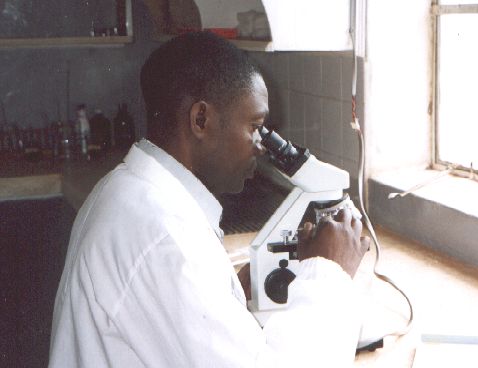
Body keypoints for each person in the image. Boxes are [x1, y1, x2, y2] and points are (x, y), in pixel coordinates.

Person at [48, 31, 370, 368]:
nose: (261, 147)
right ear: (200, 119)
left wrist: (230, 292)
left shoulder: (130, 191)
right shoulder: (162, 237)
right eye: (255, 126)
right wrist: (330, 270)